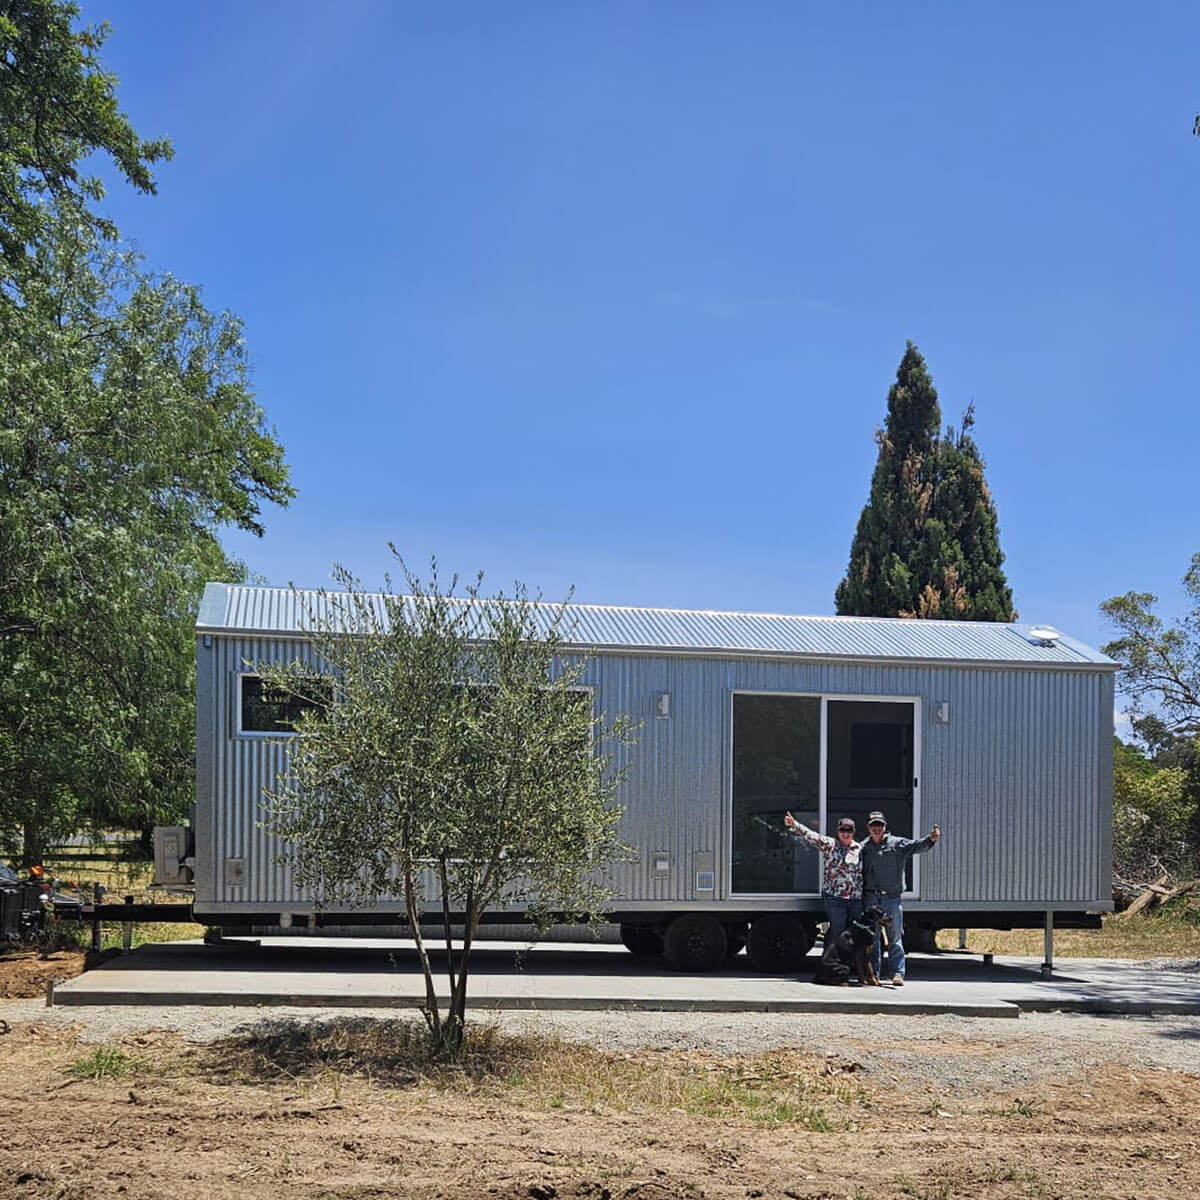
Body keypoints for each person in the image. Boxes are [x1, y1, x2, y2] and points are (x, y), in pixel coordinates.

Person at [859, 810, 941, 987]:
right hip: (871, 898)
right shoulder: (863, 847)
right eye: (873, 825)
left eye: (880, 825)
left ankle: (897, 973)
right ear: (868, 827)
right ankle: (874, 974)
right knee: (872, 938)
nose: (877, 828)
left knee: (894, 937)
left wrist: (931, 839)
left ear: (885, 826)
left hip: (891, 899)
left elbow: (916, 846)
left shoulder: (897, 844)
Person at [782, 812, 863, 948]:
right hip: (835, 898)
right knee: (837, 930)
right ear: (838, 831)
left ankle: (848, 965)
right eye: (843, 830)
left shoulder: (860, 849)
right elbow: (811, 836)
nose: (845, 833)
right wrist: (795, 825)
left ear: (853, 832)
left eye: (849, 830)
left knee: (853, 933)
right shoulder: (830, 845)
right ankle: (829, 963)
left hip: (855, 899)